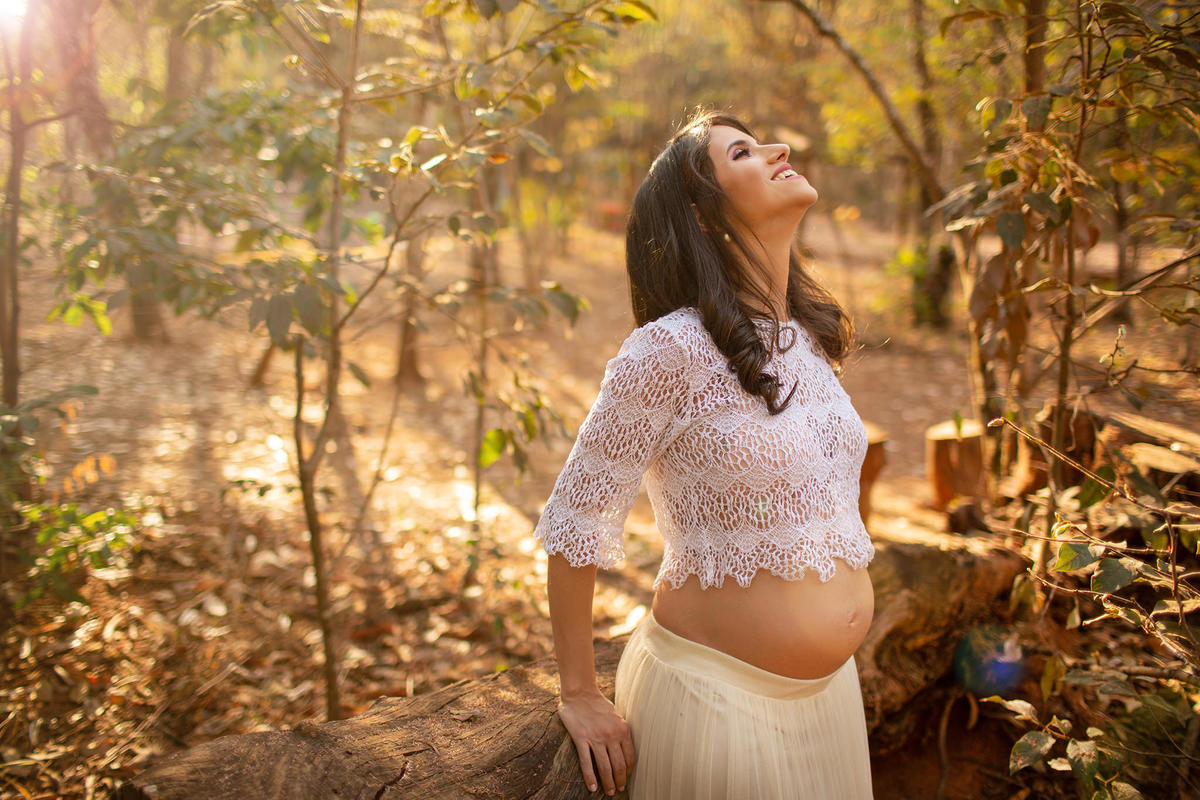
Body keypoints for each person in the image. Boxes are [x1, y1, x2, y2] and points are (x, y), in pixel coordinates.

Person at [533, 107, 876, 799]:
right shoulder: (668, 351)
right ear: (704, 215)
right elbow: (576, 519)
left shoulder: (803, 341)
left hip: (832, 702)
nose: (779, 147)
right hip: (718, 706)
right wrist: (577, 691)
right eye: (744, 153)